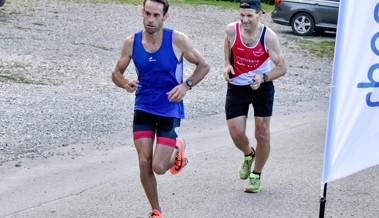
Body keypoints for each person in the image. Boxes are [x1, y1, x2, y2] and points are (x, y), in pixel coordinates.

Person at [112, 0, 209, 217]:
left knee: (159, 167)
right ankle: (156, 210)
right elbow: (116, 73)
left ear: (165, 17)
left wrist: (186, 85)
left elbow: (204, 66)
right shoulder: (131, 43)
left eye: (156, 15)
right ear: (142, 12)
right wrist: (124, 83)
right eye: (147, 14)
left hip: (170, 108)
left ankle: (178, 148)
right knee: (144, 161)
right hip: (144, 106)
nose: (150, 20)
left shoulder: (177, 40)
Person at [223, 0, 287, 193]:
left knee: (262, 133)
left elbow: (282, 68)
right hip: (236, 86)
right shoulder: (232, 30)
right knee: (236, 134)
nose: (244, 20)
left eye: (249, 16)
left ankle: (256, 175)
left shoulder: (269, 37)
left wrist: (263, 77)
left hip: (262, 86)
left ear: (260, 14)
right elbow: (227, 42)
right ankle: (248, 153)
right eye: (242, 15)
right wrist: (227, 63)